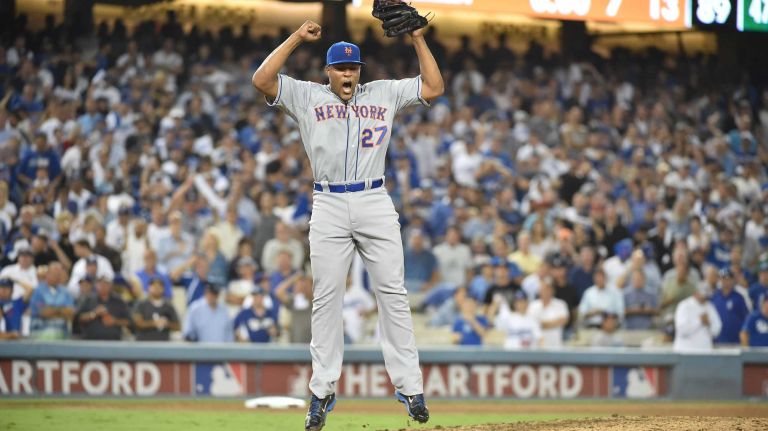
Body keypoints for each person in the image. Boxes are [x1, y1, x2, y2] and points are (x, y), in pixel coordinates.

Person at [252, 19, 443, 428]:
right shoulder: (307, 96)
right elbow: (262, 78)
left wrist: (418, 40)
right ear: (328, 71)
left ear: (361, 71)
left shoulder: (384, 92)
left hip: (374, 197)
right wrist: (295, 38)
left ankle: (410, 388)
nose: (348, 74)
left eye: (353, 68)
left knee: (392, 291)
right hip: (329, 200)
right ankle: (321, 393)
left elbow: (433, 87)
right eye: (340, 68)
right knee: (326, 297)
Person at [76, 275, 132, 340]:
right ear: (96, 286)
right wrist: (94, 313)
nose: (103, 287)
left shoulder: (119, 302)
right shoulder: (88, 300)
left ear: (111, 286)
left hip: (113, 342)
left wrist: (114, 321)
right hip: (91, 342)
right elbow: (79, 319)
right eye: (101, 284)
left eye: (106, 284)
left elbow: (129, 321)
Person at [29, 262, 75, 340]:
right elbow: (44, 312)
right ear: (47, 274)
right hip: (40, 331)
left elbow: (70, 314)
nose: (57, 277)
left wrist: (53, 309)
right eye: (55, 274)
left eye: (59, 274)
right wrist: (61, 310)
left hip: (62, 332)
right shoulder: (38, 291)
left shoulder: (66, 292)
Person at [673, 283, 722, 352]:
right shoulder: (684, 306)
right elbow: (682, 330)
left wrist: (708, 324)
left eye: (707, 296)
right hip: (685, 352)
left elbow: (717, 330)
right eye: (703, 295)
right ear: (696, 292)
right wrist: (699, 321)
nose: (705, 298)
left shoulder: (710, 307)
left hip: (705, 352)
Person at [132, 277, 181, 341]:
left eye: (159, 287)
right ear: (149, 288)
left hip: (163, 343)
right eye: (154, 287)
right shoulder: (141, 304)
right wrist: (154, 323)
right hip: (144, 343)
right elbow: (137, 323)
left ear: (163, 289)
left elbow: (177, 326)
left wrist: (167, 324)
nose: (157, 289)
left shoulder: (168, 306)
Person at [526, 277, 569, 348]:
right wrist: (552, 323)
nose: (545, 291)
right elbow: (530, 324)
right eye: (543, 288)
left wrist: (540, 324)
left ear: (553, 290)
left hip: (555, 346)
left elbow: (563, 321)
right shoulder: (533, 305)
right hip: (536, 347)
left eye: (548, 288)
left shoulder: (561, 304)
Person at [711, 268, 749, 345]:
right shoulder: (714, 297)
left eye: (727, 279)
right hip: (718, 340)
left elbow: (745, 318)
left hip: (735, 340)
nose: (725, 281)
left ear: (732, 280)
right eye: (722, 279)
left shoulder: (739, 298)